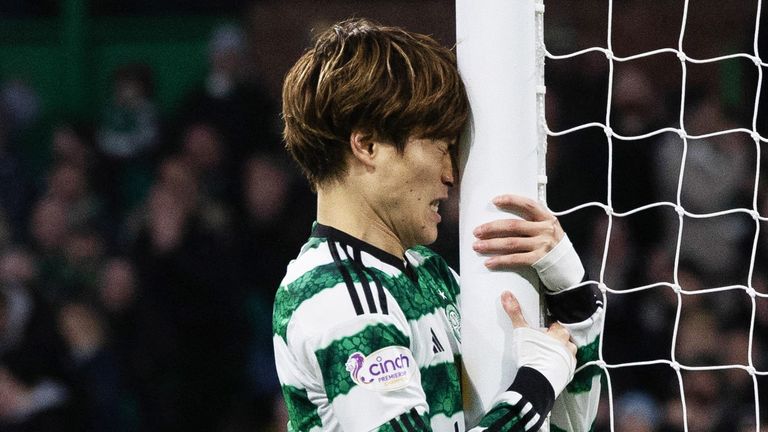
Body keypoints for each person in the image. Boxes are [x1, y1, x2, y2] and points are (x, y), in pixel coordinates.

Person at [273, 19, 603, 431]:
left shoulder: (431, 274)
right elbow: (535, 400)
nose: (451, 174)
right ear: (368, 145)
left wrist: (572, 295)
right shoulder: (337, 298)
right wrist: (534, 386)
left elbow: (569, 424)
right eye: (441, 147)